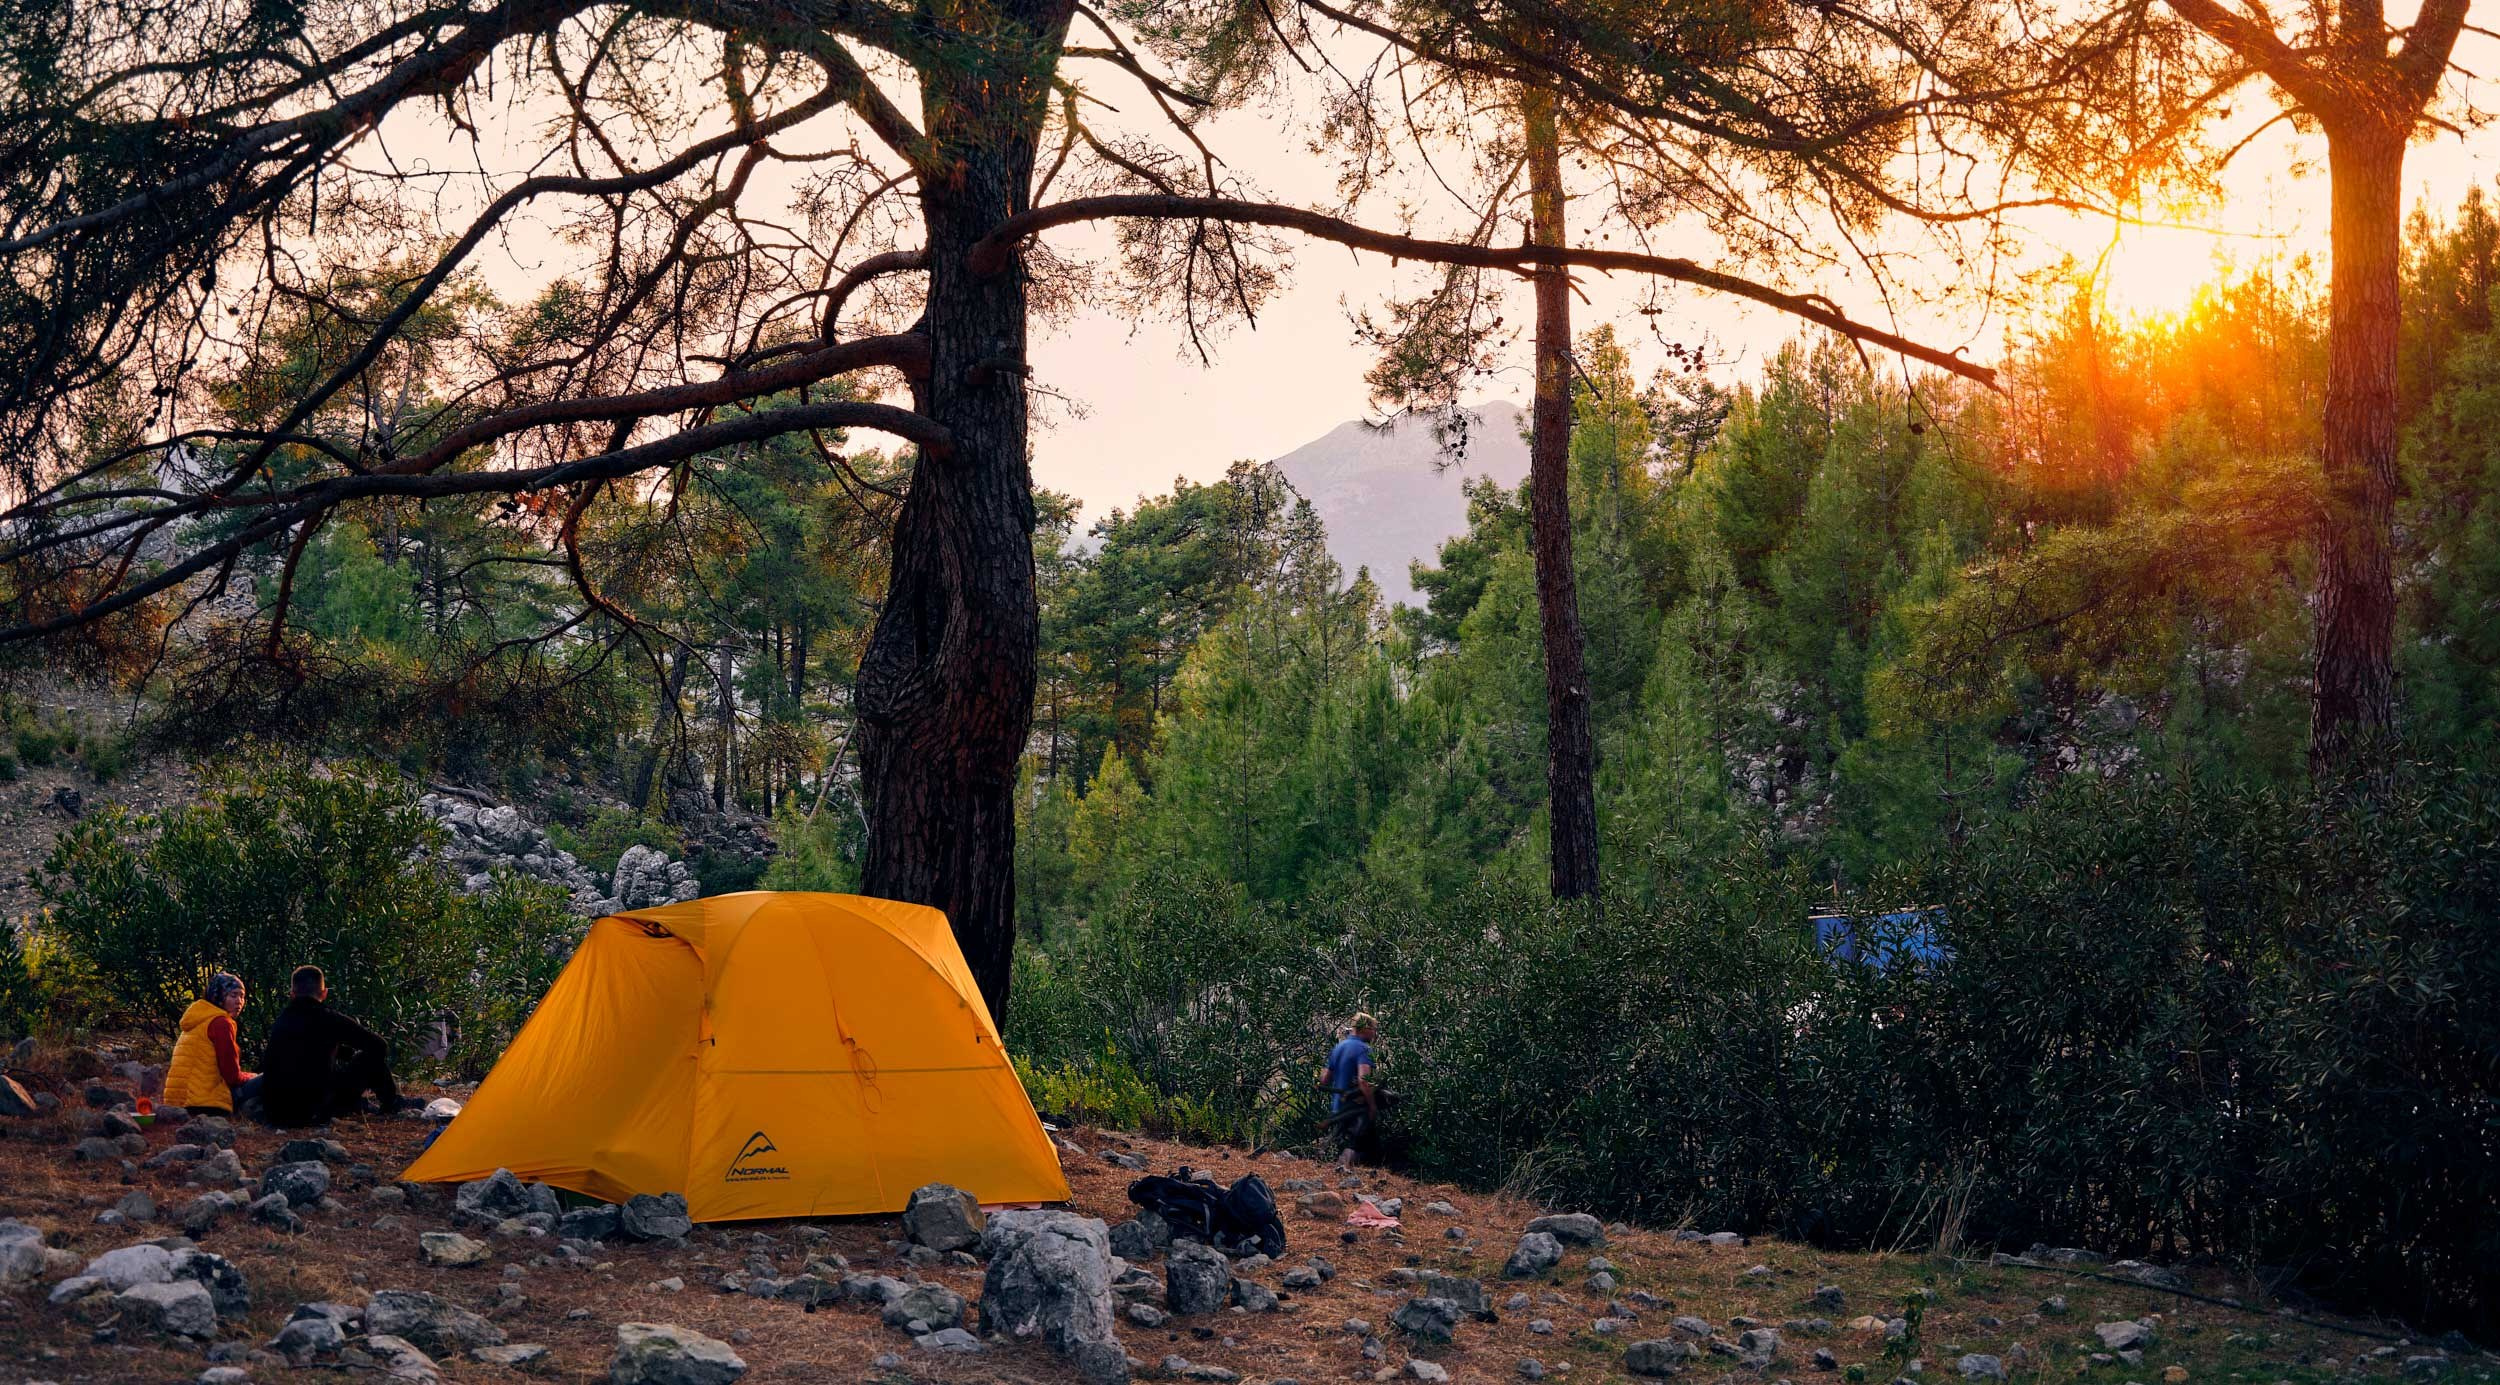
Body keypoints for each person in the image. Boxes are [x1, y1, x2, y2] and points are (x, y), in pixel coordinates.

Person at [257, 965, 403, 1127]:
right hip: (314, 1111)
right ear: (324, 993)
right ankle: (391, 1103)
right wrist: (352, 1057)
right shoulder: (328, 1018)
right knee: (369, 1057)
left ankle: (388, 1102)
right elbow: (379, 1045)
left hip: (276, 1112)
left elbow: (305, 1047)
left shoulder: (282, 1020)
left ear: (292, 994)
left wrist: (339, 1051)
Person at [164, 972, 256, 1114]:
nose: (239, 1001)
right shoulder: (221, 1023)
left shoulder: (198, 1018)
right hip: (205, 1103)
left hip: (176, 1102)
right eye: (233, 995)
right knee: (268, 1080)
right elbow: (232, 1076)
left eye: (242, 996)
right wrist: (252, 1076)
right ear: (219, 996)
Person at [1321, 1013, 1380, 1170]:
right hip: (1356, 1106)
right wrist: (1372, 1105)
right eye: (1373, 1029)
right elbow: (1363, 1081)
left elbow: (1324, 1079)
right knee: (1356, 1142)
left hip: (1338, 1106)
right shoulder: (1364, 1049)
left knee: (1343, 1140)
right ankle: (1345, 1171)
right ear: (1365, 1029)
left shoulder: (1339, 1047)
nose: (1374, 1034)